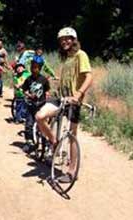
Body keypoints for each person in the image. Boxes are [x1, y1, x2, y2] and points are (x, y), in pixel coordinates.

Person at [35, 27, 93, 183]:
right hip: (60, 98)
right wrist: (56, 81)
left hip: (73, 101)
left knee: (72, 135)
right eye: (61, 40)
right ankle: (54, 141)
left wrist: (78, 94)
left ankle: (72, 172)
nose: (64, 42)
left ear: (74, 39)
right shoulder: (67, 57)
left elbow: (89, 77)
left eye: (67, 38)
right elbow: (69, 77)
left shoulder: (81, 55)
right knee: (40, 116)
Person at [22, 55, 51, 152]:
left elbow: (47, 90)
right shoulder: (28, 79)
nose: (33, 69)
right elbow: (24, 89)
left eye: (36, 67)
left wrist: (47, 95)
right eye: (32, 67)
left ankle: (45, 141)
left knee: (42, 124)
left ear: (40, 68)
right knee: (29, 124)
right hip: (31, 105)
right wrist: (29, 94)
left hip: (41, 105)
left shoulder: (43, 79)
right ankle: (28, 142)